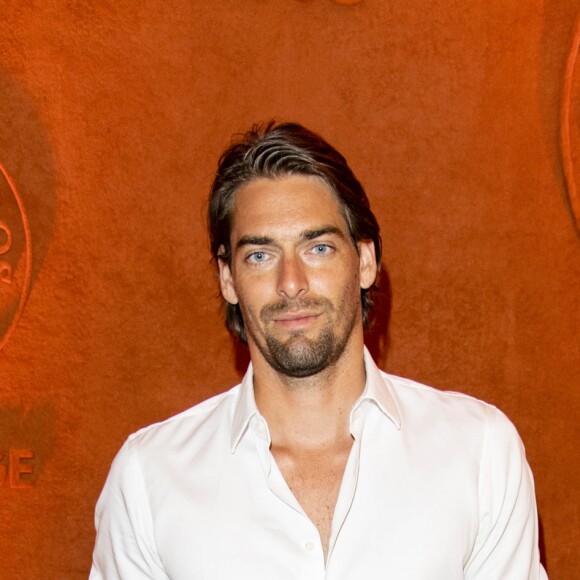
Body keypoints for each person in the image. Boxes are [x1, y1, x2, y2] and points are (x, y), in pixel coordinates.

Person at [90, 122, 548, 579]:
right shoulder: (149, 477)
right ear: (228, 279)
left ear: (365, 261)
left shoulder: (479, 452)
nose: (291, 283)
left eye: (319, 248)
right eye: (260, 256)